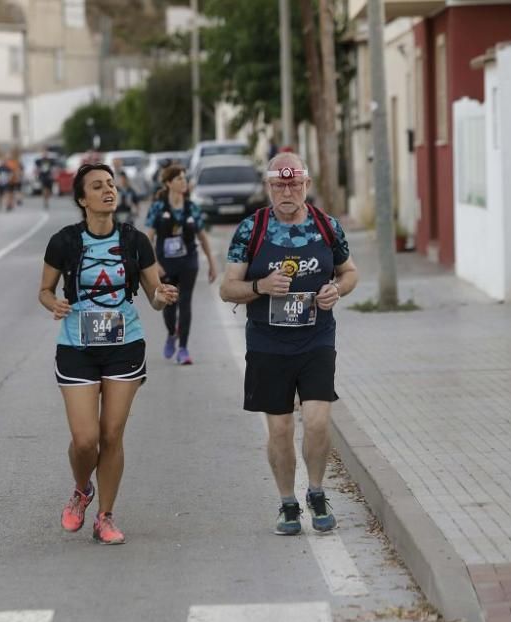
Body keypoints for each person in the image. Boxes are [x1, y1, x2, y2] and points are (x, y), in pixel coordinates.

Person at [38, 163, 179, 545]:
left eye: (111, 185)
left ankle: (105, 516)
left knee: (111, 434)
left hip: (124, 344)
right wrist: (55, 304)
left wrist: (163, 297)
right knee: (85, 440)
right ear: (83, 199)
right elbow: (45, 290)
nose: (108, 191)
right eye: (97, 187)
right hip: (77, 345)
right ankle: (83, 490)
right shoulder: (64, 241)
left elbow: (153, 298)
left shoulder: (135, 241)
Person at [219, 153, 358, 536]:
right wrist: (260, 287)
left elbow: (349, 272)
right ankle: (287, 502)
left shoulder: (327, 227)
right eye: (279, 185)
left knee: (317, 420)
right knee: (279, 429)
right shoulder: (252, 230)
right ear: (268, 188)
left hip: (316, 338)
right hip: (267, 342)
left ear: (306, 186)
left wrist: (336, 289)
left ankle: (315, 491)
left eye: (294, 184)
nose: (287, 191)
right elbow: (226, 288)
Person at [144, 165, 217, 366]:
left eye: (184, 178)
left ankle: (183, 349)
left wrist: (211, 263)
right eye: (178, 179)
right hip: (165, 264)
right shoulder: (158, 207)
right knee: (169, 303)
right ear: (168, 183)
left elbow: (202, 237)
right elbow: (147, 239)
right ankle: (171, 333)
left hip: (188, 262)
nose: (183, 182)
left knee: (185, 303)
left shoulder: (192, 207)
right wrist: (154, 264)